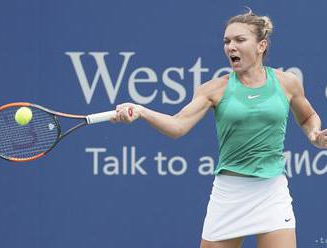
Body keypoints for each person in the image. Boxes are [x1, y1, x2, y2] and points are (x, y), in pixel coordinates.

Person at [111, 9, 327, 248]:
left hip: (272, 192)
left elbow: (307, 116)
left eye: (239, 40)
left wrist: (314, 135)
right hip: (229, 194)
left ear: (261, 45)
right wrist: (142, 111)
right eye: (227, 41)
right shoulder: (214, 89)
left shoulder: (287, 82)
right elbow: (178, 126)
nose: (230, 47)